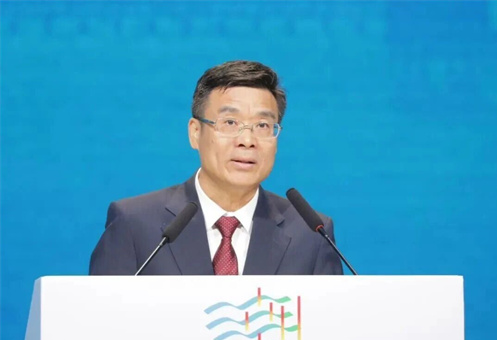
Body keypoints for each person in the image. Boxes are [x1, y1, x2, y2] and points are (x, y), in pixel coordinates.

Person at [89, 60, 343, 275]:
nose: (247, 140)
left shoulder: (311, 234)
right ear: (195, 132)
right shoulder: (134, 224)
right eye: (230, 122)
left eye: (263, 126)